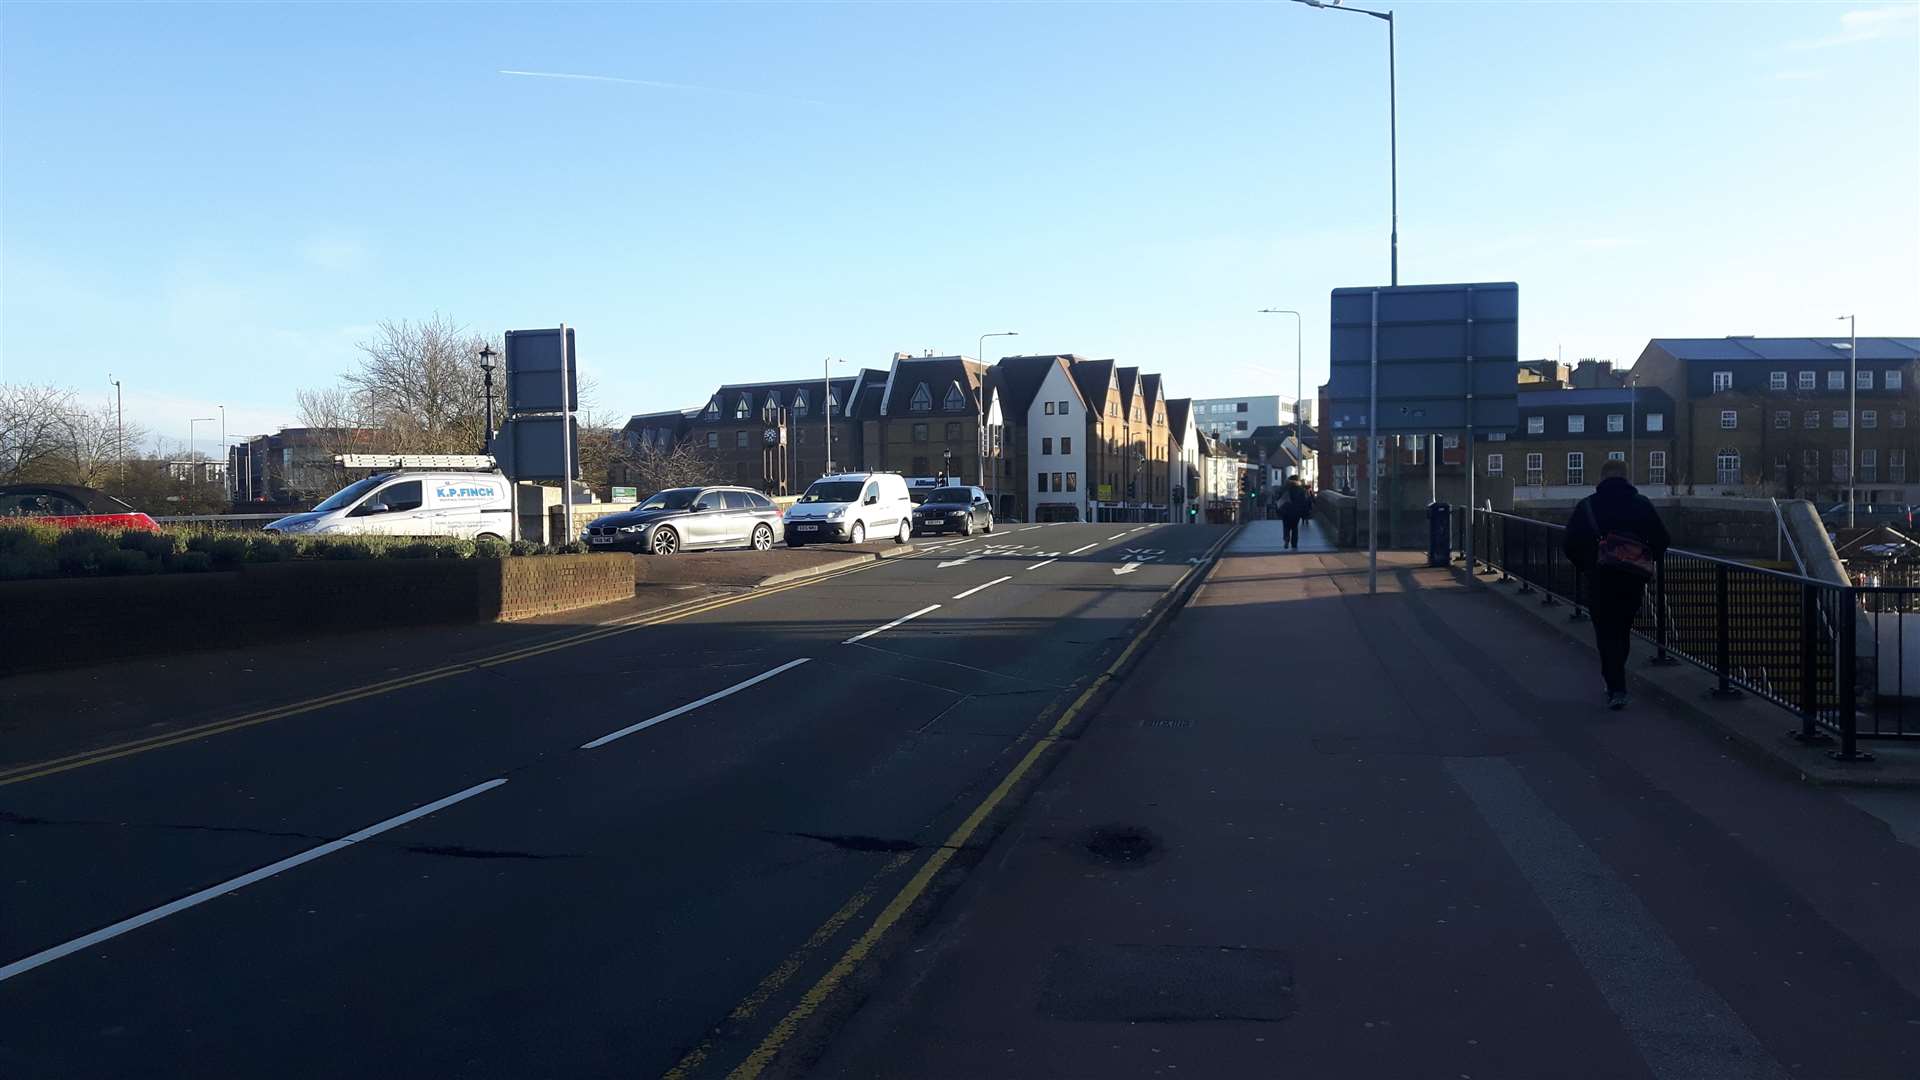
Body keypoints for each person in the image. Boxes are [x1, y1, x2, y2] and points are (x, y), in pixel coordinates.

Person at [1563, 457, 1670, 709]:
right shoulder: (1641, 505)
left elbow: (1569, 545)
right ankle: (1617, 680)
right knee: (1623, 629)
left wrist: (1588, 565)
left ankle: (1614, 684)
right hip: (1632, 579)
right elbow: (1662, 540)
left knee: (1605, 631)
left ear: (1602, 478)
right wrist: (1643, 558)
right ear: (1626, 477)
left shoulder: (1587, 506)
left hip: (1600, 579)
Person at [1277, 475, 1311, 550]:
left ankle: (1286, 539)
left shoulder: (1284, 488)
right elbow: (1304, 502)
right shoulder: (1301, 489)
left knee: (1286, 526)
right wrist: (1305, 512)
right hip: (1296, 511)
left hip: (1285, 510)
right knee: (1295, 527)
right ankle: (1294, 544)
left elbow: (1278, 498)